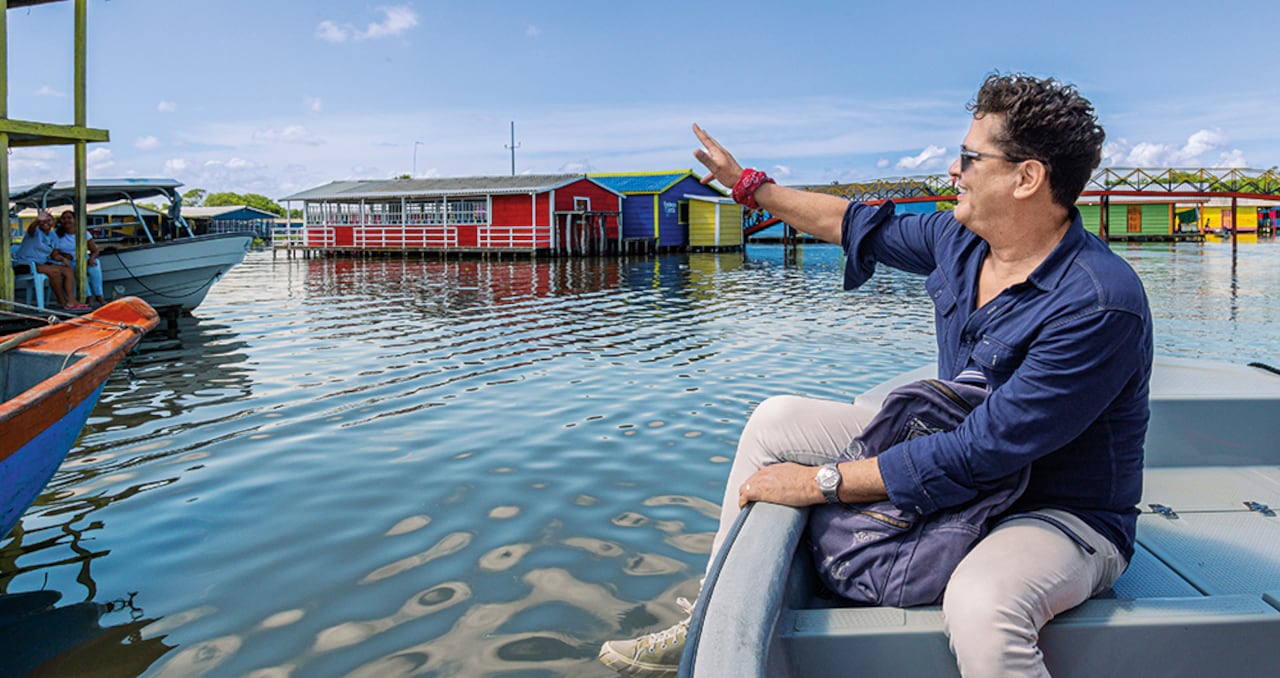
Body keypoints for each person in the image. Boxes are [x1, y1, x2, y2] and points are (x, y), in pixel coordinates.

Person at [599, 73, 1152, 677]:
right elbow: (853, 222)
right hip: (966, 467)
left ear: (1026, 178)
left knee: (983, 608)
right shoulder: (960, 240)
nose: (952, 169)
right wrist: (750, 187)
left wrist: (819, 483)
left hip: (1055, 510)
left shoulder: (1098, 302)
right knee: (775, 421)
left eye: (969, 157)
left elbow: (983, 452)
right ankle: (708, 617)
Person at [12, 210, 82, 309]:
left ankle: (71, 301)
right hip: (24, 264)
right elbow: (31, 229)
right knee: (54, 271)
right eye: (43, 220)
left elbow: (54, 254)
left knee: (67, 269)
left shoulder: (53, 236)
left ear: (53, 222)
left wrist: (63, 259)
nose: (46, 222)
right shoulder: (35, 231)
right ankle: (62, 301)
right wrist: (37, 220)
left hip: (41, 264)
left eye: (49, 220)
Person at [55, 208, 107, 306]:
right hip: (69, 261)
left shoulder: (83, 233)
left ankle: (99, 295)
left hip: (84, 259)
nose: (66, 220)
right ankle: (88, 296)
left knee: (95, 267)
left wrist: (91, 258)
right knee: (77, 269)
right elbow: (54, 252)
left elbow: (95, 250)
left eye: (69, 218)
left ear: (75, 220)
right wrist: (64, 256)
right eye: (64, 218)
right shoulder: (57, 234)